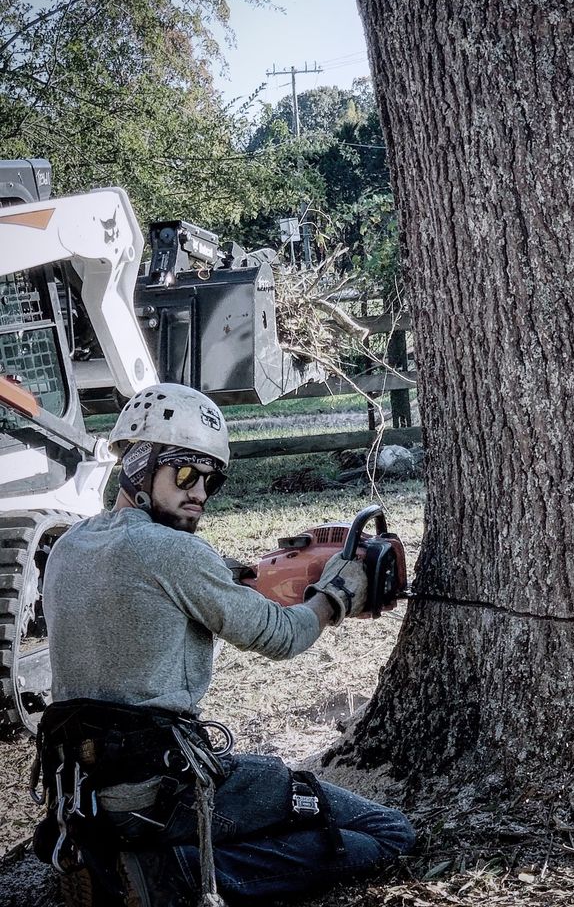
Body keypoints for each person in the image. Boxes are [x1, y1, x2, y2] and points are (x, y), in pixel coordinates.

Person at [33, 383, 415, 906]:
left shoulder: (68, 546)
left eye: (212, 479)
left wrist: (230, 579)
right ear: (140, 462)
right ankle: (167, 875)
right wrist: (336, 596)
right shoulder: (175, 553)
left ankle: (111, 858)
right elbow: (283, 636)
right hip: (168, 788)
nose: (200, 492)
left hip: (84, 790)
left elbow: (144, 595)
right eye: (186, 472)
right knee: (386, 831)